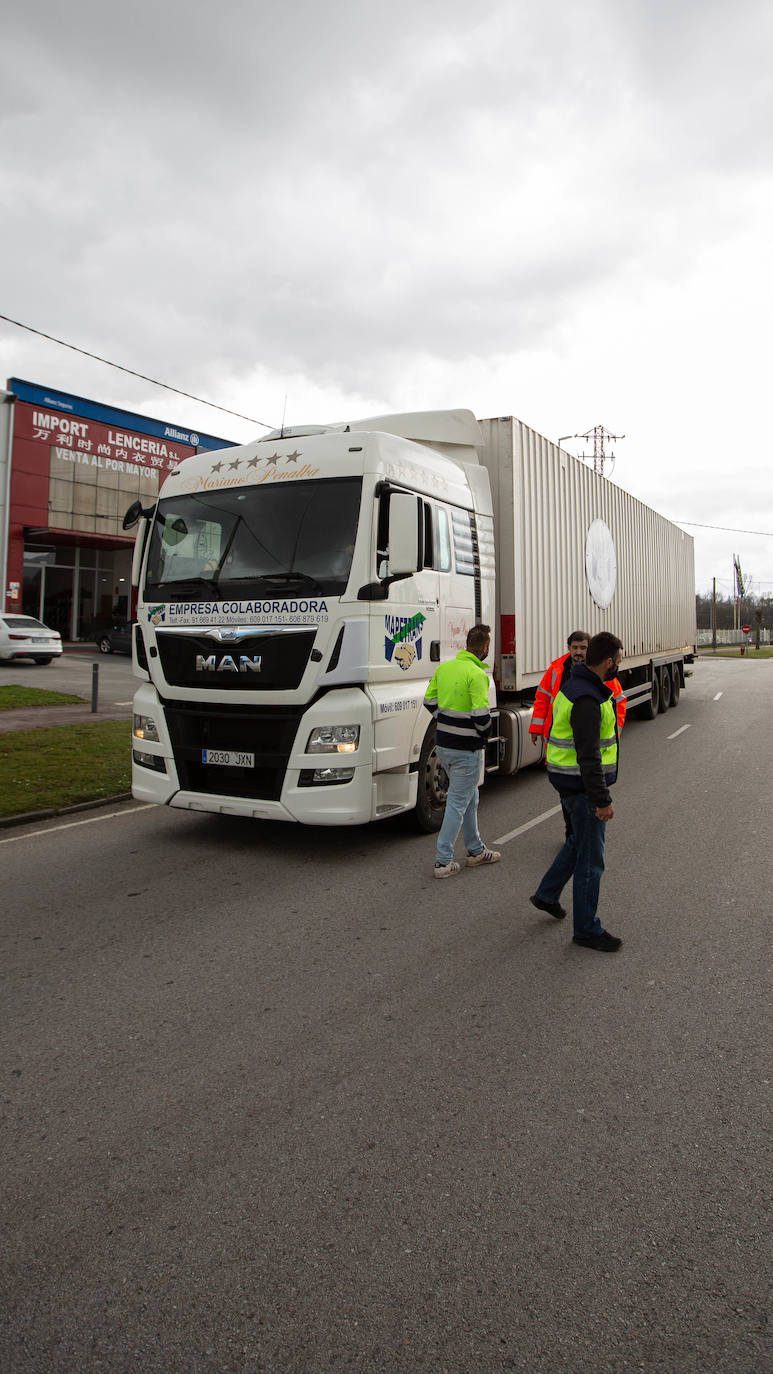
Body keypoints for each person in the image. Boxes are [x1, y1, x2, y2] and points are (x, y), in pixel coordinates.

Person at [530, 631, 624, 952]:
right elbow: (588, 755)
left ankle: (546, 894)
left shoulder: (576, 685)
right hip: (583, 789)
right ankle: (586, 929)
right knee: (590, 861)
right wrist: (602, 800)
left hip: (568, 783)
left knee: (576, 842)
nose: (619, 665)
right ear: (609, 662)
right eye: (619, 660)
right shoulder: (587, 698)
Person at [530, 629, 627, 837]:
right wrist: (536, 727)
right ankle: (572, 835)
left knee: (579, 818)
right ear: (568, 648)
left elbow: (619, 704)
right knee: (573, 808)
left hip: (584, 749)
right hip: (565, 749)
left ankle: (573, 838)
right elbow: (543, 697)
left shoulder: (603, 673)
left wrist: (613, 734)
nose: (578, 652)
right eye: (575, 647)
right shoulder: (557, 669)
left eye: (583, 647)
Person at [423, 623, 501, 878]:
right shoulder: (477, 675)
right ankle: (443, 861)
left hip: (444, 744)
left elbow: (429, 701)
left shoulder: (445, 668)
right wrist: (486, 733)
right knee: (458, 801)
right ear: (485, 648)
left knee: (469, 797)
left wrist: (445, 720)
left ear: (467, 644)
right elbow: (481, 716)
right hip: (467, 748)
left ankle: (476, 850)